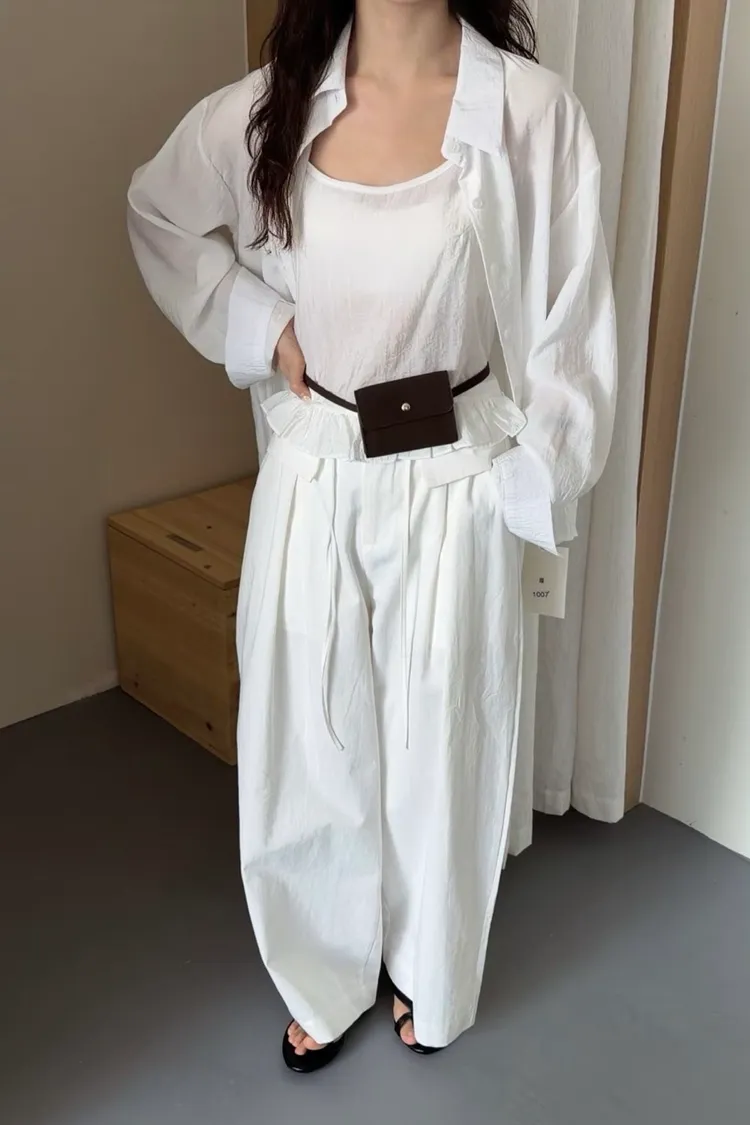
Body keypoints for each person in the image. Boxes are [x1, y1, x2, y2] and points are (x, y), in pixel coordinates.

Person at [128, 0, 617, 1074]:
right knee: (310, 727)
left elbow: (575, 329)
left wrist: (527, 480)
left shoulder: (531, 113)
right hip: (318, 468)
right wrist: (263, 326)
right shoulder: (268, 109)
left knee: (444, 735)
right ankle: (324, 966)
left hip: (457, 477)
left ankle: (428, 966)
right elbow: (158, 213)